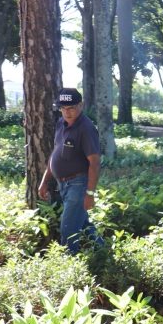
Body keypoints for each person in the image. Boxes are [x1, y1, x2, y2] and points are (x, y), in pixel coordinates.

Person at [37, 88, 103, 254]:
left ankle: (68, 264)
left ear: (81, 105)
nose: (67, 112)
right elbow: (55, 154)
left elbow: (94, 163)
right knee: (83, 224)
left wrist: (89, 193)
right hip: (63, 185)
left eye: (71, 108)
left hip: (78, 185)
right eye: (63, 108)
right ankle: (104, 253)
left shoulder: (86, 128)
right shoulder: (61, 123)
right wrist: (45, 181)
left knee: (68, 229)